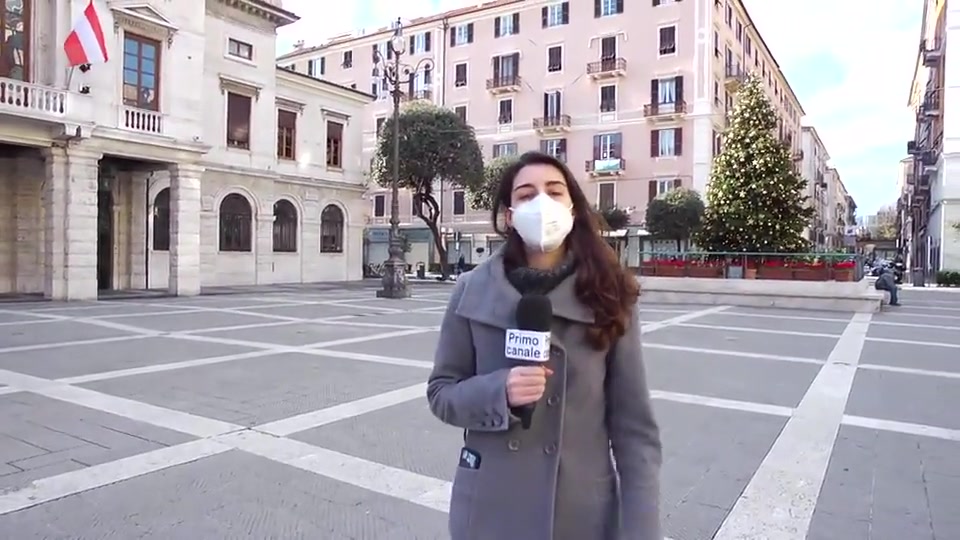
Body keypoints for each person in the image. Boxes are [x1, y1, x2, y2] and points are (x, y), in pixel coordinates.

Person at [426, 151, 662, 540]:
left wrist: (641, 531)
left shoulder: (611, 295)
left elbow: (635, 432)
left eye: (555, 192)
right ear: (508, 215)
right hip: (490, 510)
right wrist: (498, 391)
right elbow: (441, 393)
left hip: (580, 514)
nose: (541, 203)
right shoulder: (470, 291)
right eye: (526, 194)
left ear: (573, 209)